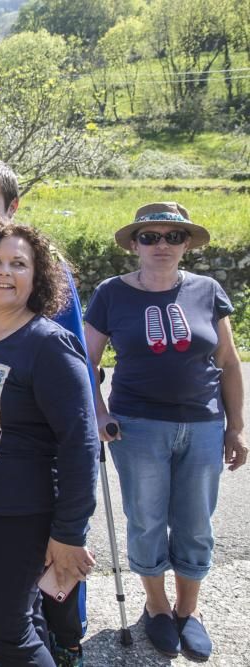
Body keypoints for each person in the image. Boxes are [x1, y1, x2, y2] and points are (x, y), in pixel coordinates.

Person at [0, 160, 91, 665]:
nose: (4, 271)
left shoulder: (48, 345)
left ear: (37, 276)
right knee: (14, 619)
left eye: (18, 263)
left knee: (7, 633)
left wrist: (69, 533)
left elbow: (79, 442)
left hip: (20, 509)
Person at [83, 202, 247, 661]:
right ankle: (156, 608)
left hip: (203, 424)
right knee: (148, 518)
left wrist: (236, 427)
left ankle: (188, 611)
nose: (161, 245)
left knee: (196, 522)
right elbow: (86, 363)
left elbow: (230, 363)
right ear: (134, 244)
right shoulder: (111, 293)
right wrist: (98, 414)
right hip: (137, 426)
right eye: (150, 237)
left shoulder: (208, 290)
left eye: (172, 237)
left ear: (187, 244)